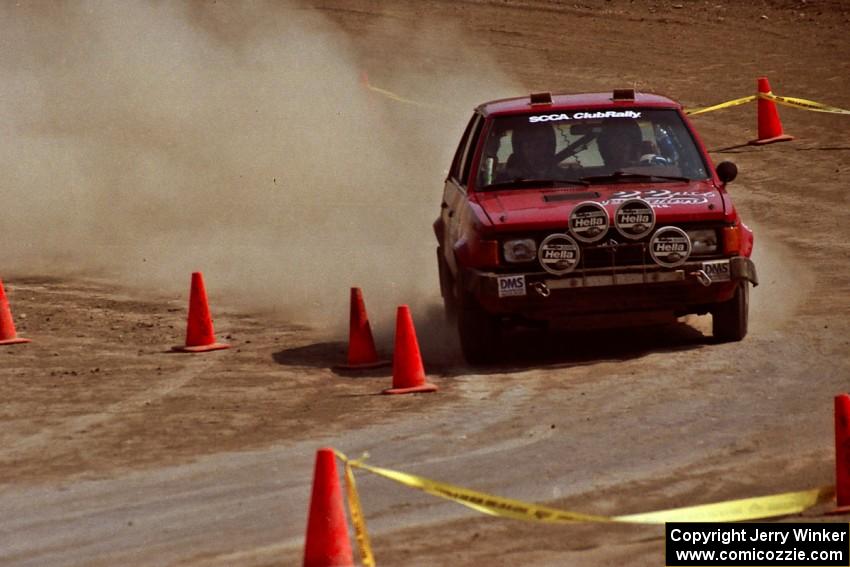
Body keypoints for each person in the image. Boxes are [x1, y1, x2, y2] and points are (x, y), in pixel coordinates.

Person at [597, 118, 669, 170]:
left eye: (623, 142)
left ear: (634, 145)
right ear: (605, 148)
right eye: (614, 143)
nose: (620, 147)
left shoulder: (654, 170)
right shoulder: (594, 177)